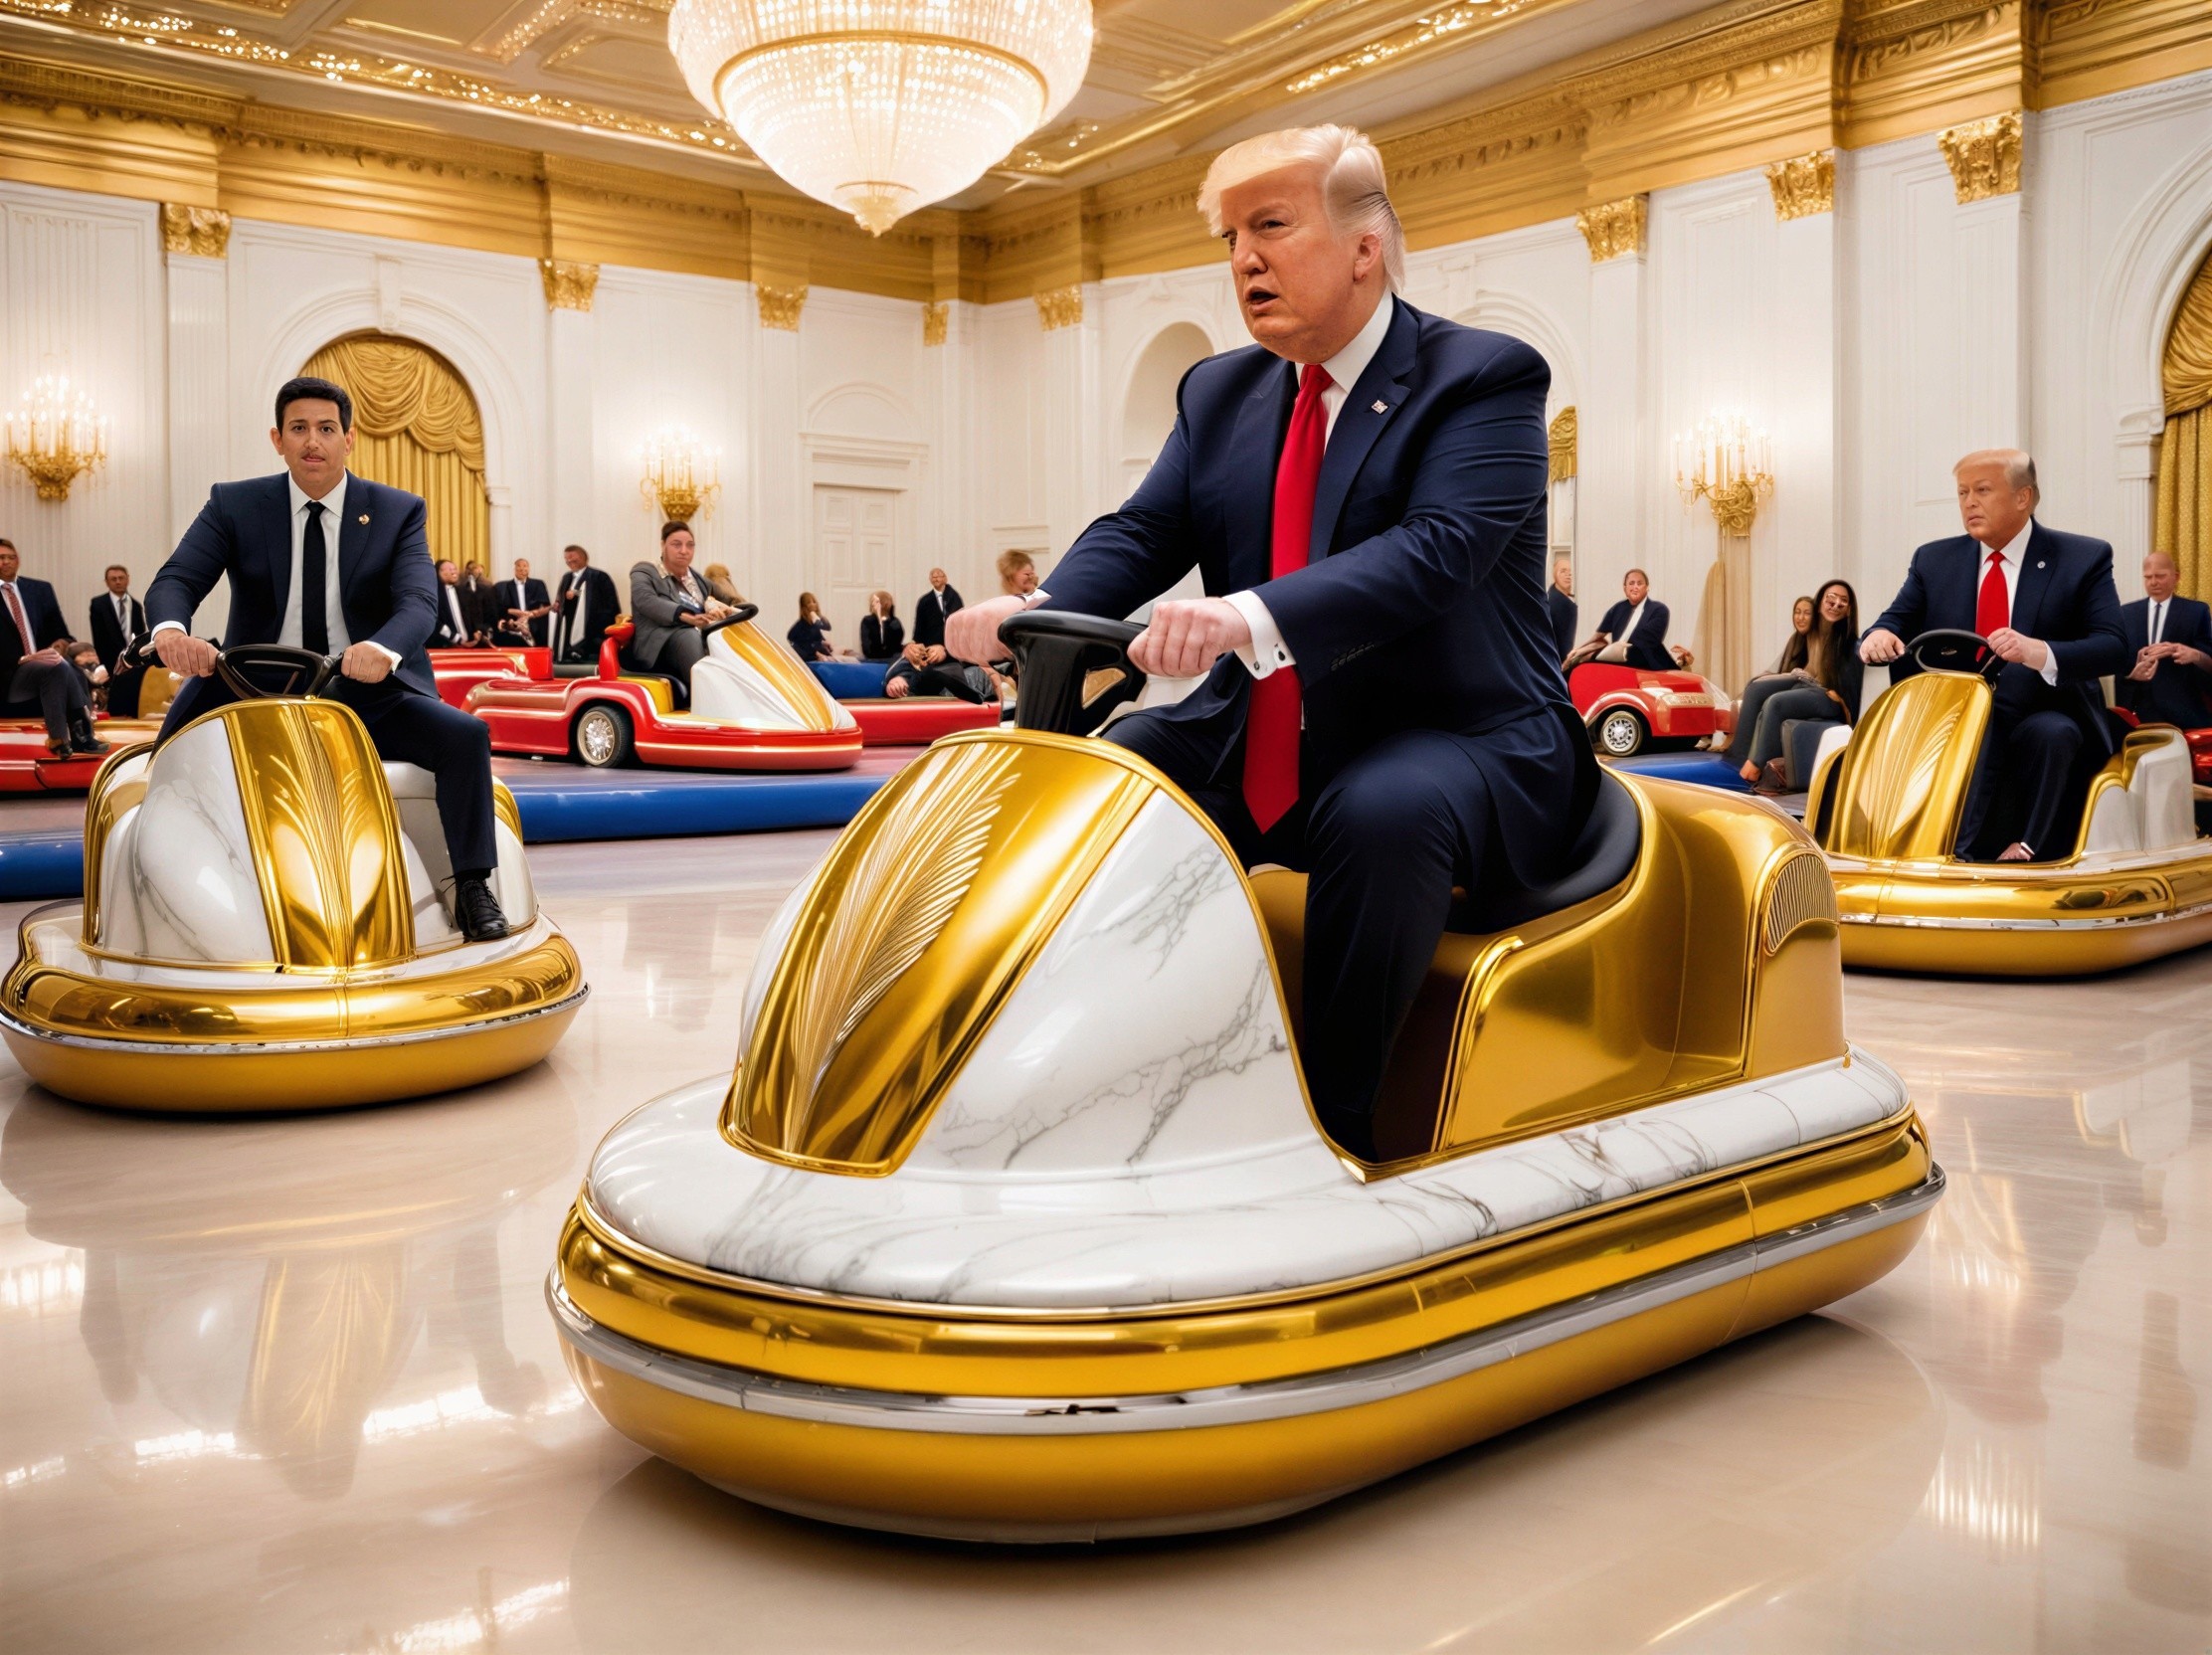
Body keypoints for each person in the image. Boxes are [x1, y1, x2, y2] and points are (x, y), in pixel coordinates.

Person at [947, 123, 1591, 1160]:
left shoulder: (1483, 377)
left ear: (1364, 248)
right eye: (1230, 236)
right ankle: (1083, 1086)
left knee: (1383, 810)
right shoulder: (1219, 390)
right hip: (1271, 719)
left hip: (1460, 728)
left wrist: (1246, 615)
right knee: (1110, 780)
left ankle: (1331, 1136)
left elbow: (1439, 550)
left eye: (1272, 225)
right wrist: (1039, 603)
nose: (1243, 258)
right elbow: (1146, 528)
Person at [147, 375, 508, 940]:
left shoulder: (397, 511)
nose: (312, 441)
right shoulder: (234, 504)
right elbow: (177, 579)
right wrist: (172, 631)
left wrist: (383, 648)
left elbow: (419, 600)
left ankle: (472, 885)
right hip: (251, 684)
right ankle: (153, 889)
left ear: (349, 438)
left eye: (325, 428)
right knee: (165, 751)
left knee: (464, 736)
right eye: (298, 429)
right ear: (278, 439)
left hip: (363, 687)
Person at [1860, 449, 2127, 862]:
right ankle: (1884, 842)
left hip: (2046, 705)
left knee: (2042, 730)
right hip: (1955, 710)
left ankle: (1964, 855)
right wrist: (1878, 635)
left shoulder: (2082, 557)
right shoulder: (1933, 559)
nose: (1969, 502)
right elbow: (1893, 619)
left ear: (2024, 497)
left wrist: (2037, 651)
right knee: (1966, 713)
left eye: (1982, 490)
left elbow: (2114, 647)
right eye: (1963, 492)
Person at [1726, 582, 1861, 790]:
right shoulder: (1812, 632)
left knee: (1776, 703)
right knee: (1756, 688)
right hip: (1811, 684)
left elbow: (1847, 691)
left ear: (1849, 609)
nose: (1836, 604)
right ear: (1820, 602)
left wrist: (1838, 700)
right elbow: (1808, 666)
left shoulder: (1849, 643)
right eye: (1831, 598)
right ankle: (1736, 759)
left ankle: (1755, 767)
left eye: (1844, 601)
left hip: (1832, 697)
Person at [0, 539, 103, 759]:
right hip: (9, 676)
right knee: (56, 666)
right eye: (1, 558)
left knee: (60, 665)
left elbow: (62, 633)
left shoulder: (39, 590)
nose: (6, 562)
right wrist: (23, 660)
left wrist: (60, 643)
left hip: (47, 670)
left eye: (11, 557)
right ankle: (81, 735)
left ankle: (64, 739)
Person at [629, 520, 731, 687]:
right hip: (659, 645)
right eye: (676, 545)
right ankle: (704, 696)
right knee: (688, 635)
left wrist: (731, 609)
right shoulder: (644, 571)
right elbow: (646, 600)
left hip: (702, 638)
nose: (684, 551)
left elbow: (729, 601)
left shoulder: (700, 581)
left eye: (690, 545)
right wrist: (686, 616)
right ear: (663, 545)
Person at [2117, 551, 2212, 729]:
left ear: (2176, 577)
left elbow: (2209, 663)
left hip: (2184, 712)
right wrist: (2132, 675)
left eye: (2160, 576)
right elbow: (2118, 663)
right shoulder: (2126, 613)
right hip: (2140, 712)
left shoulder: (2196, 612)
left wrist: (2195, 655)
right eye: (2148, 577)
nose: (2153, 582)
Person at [1580, 569, 1673, 669]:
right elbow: (1598, 635)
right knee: (1578, 665)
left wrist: (1597, 654)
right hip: (1617, 660)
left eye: (1640, 583)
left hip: (1645, 661)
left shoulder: (1659, 609)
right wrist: (1579, 650)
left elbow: (1643, 642)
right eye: (1631, 583)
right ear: (1625, 588)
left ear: (1647, 587)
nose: (1635, 587)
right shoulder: (1618, 608)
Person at [88, 563, 146, 718]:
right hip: (110, 660)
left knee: (133, 700)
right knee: (115, 702)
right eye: (113, 579)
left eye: (121, 578)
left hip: (133, 662)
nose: (118, 581)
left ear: (128, 579)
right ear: (107, 582)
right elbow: (98, 637)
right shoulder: (98, 604)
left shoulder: (136, 605)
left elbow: (140, 635)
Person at [551, 544, 620, 665]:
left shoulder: (600, 576)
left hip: (592, 636)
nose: (569, 560)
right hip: (568, 636)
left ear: (584, 558)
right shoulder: (566, 577)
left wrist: (600, 631)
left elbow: (612, 606)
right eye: (566, 558)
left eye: (572, 556)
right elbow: (560, 599)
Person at [495, 558, 551, 647]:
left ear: (529, 568)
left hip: (533, 620)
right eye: (519, 566)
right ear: (514, 569)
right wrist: (513, 619)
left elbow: (545, 605)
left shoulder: (538, 584)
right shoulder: (506, 586)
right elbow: (503, 607)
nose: (522, 569)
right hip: (513, 623)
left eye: (525, 566)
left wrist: (528, 616)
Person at [430, 559, 478, 647]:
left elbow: (473, 617)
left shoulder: (464, 593)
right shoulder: (434, 594)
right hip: (445, 647)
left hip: (470, 647)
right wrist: (457, 639)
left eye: (455, 569)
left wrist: (477, 632)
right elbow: (435, 622)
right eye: (449, 569)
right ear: (439, 572)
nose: (454, 571)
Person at [913, 567, 962, 649]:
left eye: (939, 576)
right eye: (933, 577)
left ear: (945, 578)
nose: (936, 579)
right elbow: (919, 624)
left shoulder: (954, 597)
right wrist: (918, 643)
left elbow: (960, 619)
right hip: (931, 644)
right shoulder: (924, 601)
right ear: (930, 580)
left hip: (952, 643)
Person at [1546, 557, 1577, 665]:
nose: (1568, 575)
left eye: (1570, 572)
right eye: (1563, 571)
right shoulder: (1558, 603)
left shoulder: (1553, 597)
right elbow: (1563, 646)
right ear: (1555, 575)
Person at [788, 593, 834, 661]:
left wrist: (823, 642)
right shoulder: (802, 625)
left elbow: (827, 627)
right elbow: (793, 638)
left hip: (818, 652)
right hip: (812, 657)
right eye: (809, 603)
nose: (813, 604)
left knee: (844, 651)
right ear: (804, 606)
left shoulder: (814, 623)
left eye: (814, 602)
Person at [859, 591, 904, 661]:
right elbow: (898, 640)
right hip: (889, 657)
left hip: (875, 657)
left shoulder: (867, 621)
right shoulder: (894, 621)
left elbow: (866, 646)